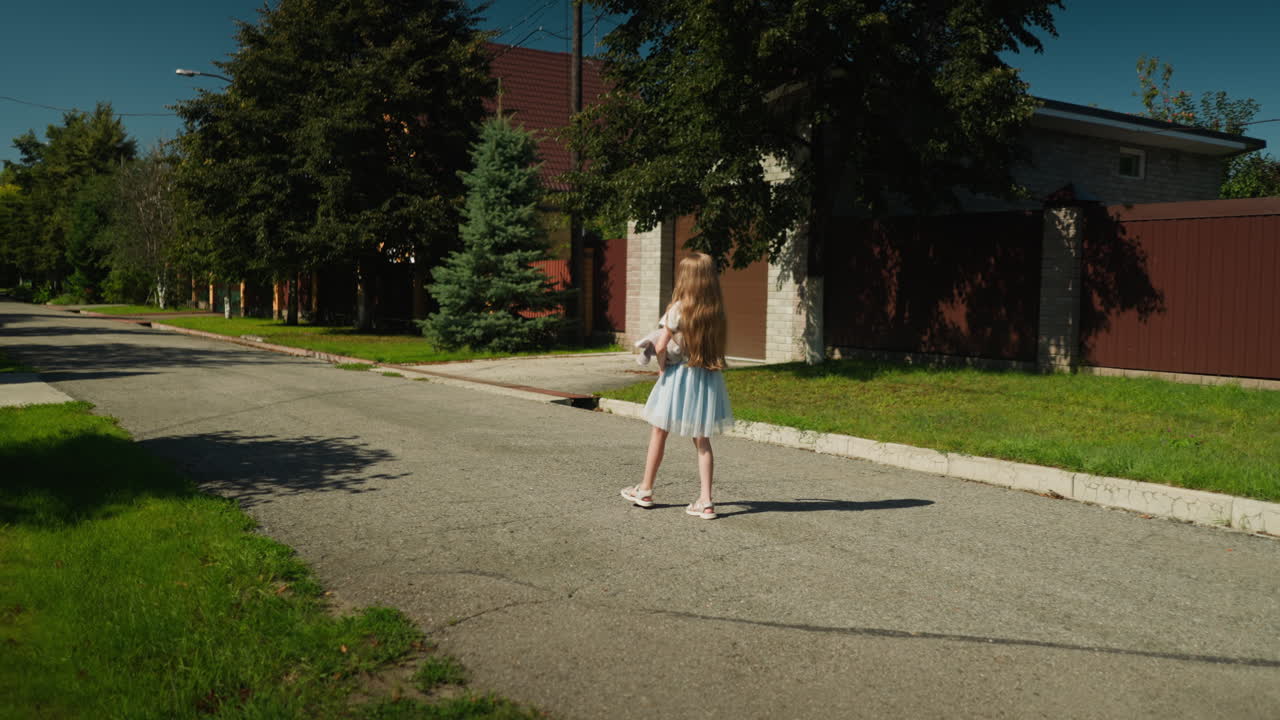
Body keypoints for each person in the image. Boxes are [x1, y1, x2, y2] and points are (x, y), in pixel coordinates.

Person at [621, 252, 733, 519]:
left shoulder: (677, 309)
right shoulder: (715, 311)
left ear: (685, 278)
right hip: (705, 377)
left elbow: (660, 345)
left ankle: (645, 489)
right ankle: (706, 501)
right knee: (702, 439)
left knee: (659, 432)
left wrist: (661, 368)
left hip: (678, 377)